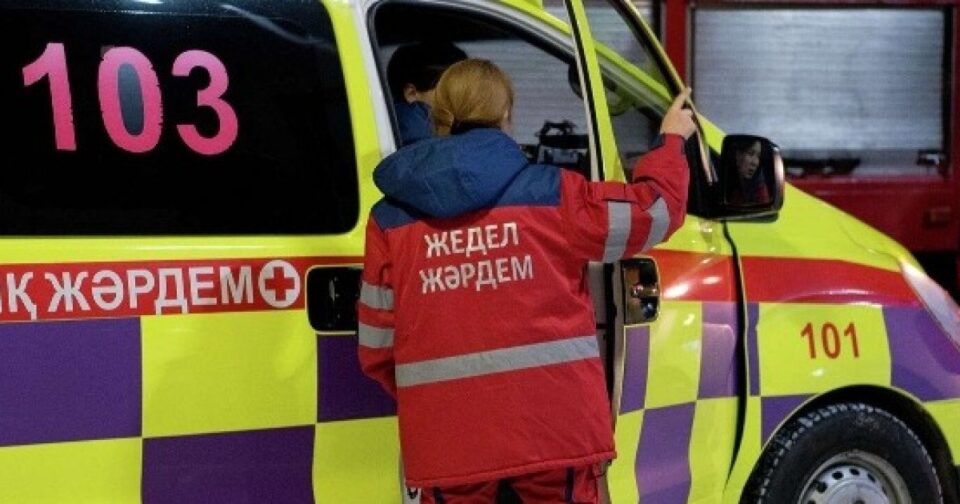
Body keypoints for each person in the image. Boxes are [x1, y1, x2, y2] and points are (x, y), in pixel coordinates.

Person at [357, 59, 696, 503]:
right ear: (506, 114)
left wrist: (438, 398)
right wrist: (671, 140)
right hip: (552, 432)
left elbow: (377, 348)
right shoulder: (555, 194)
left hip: (450, 441)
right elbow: (654, 212)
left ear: (438, 115)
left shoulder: (389, 219)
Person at [387, 41, 468, 146]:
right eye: (449, 92)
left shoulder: (395, 129)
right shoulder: (418, 141)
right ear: (411, 93)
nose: (463, 100)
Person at [725, 137, 770, 205]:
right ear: (738, 155)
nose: (755, 163)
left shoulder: (759, 187)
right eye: (750, 154)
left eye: (758, 156)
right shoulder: (725, 179)